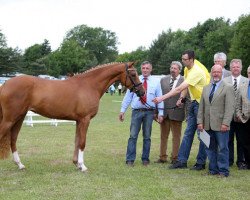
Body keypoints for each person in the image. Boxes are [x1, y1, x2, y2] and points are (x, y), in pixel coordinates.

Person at [153, 50, 209, 170]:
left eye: (185, 59)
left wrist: (161, 97)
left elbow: (179, 88)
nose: (183, 61)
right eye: (182, 59)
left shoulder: (196, 71)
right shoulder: (187, 69)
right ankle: (181, 161)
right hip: (194, 103)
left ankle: (201, 163)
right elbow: (186, 87)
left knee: (202, 134)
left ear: (191, 59)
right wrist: (182, 98)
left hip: (202, 105)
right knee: (188, 133)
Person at [119, 61, 164, 167]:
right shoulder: (135, 79)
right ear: (141, 69)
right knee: (133, 136)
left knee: (147, 137)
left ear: (151, 69)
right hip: (136, 112)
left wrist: (161, 113)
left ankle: (145, 159)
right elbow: (128, 97)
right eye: (143, 68)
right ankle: (130, 160)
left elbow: (160, 97)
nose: (145, 70)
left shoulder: (156, 82)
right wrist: (122, 110)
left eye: (147, 68)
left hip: (149, 113)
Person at [197, 64, 235, 177]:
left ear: (222, 73)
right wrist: (200, 122)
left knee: (223, 148)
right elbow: (201, 107)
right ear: (211, 73)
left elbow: (230, 108)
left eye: (218, 72)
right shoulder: (206, 88)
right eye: (214, 72)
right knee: (209, 147)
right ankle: (213, 170)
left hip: (221, 125)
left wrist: (225, 123)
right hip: (206, 125)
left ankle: (223, 171)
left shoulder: (228, 87)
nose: (216, 74)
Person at [154, 61, 186, 164]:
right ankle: (162, 157)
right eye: (171, 68)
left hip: (177, 113)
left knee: (176, 137)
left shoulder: (185, 80)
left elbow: (186, 96)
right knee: (163, 136)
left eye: (175, 68)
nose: (172, 70)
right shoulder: (163, 80)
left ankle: (175, 158)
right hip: (164, 113)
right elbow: (159, 95)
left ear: (179, 70)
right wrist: (157, 112)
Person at [223, 59, 249, 169]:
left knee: (241, 140)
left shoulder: (247, 81)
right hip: (227, 116)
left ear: (241, 68)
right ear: (230, 68)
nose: (235, 69)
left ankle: (241, 161)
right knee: (228, 139)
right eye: (233, 67)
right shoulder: (224, 81)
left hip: (242, 117)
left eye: (238, 67)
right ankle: (229, 160)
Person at [235, 66, 250, 169]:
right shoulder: (242, 86)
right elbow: (237, 104)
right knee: (245, 142)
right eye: (249, 73)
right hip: (244, 119)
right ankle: (248, 163)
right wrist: (239, 116)